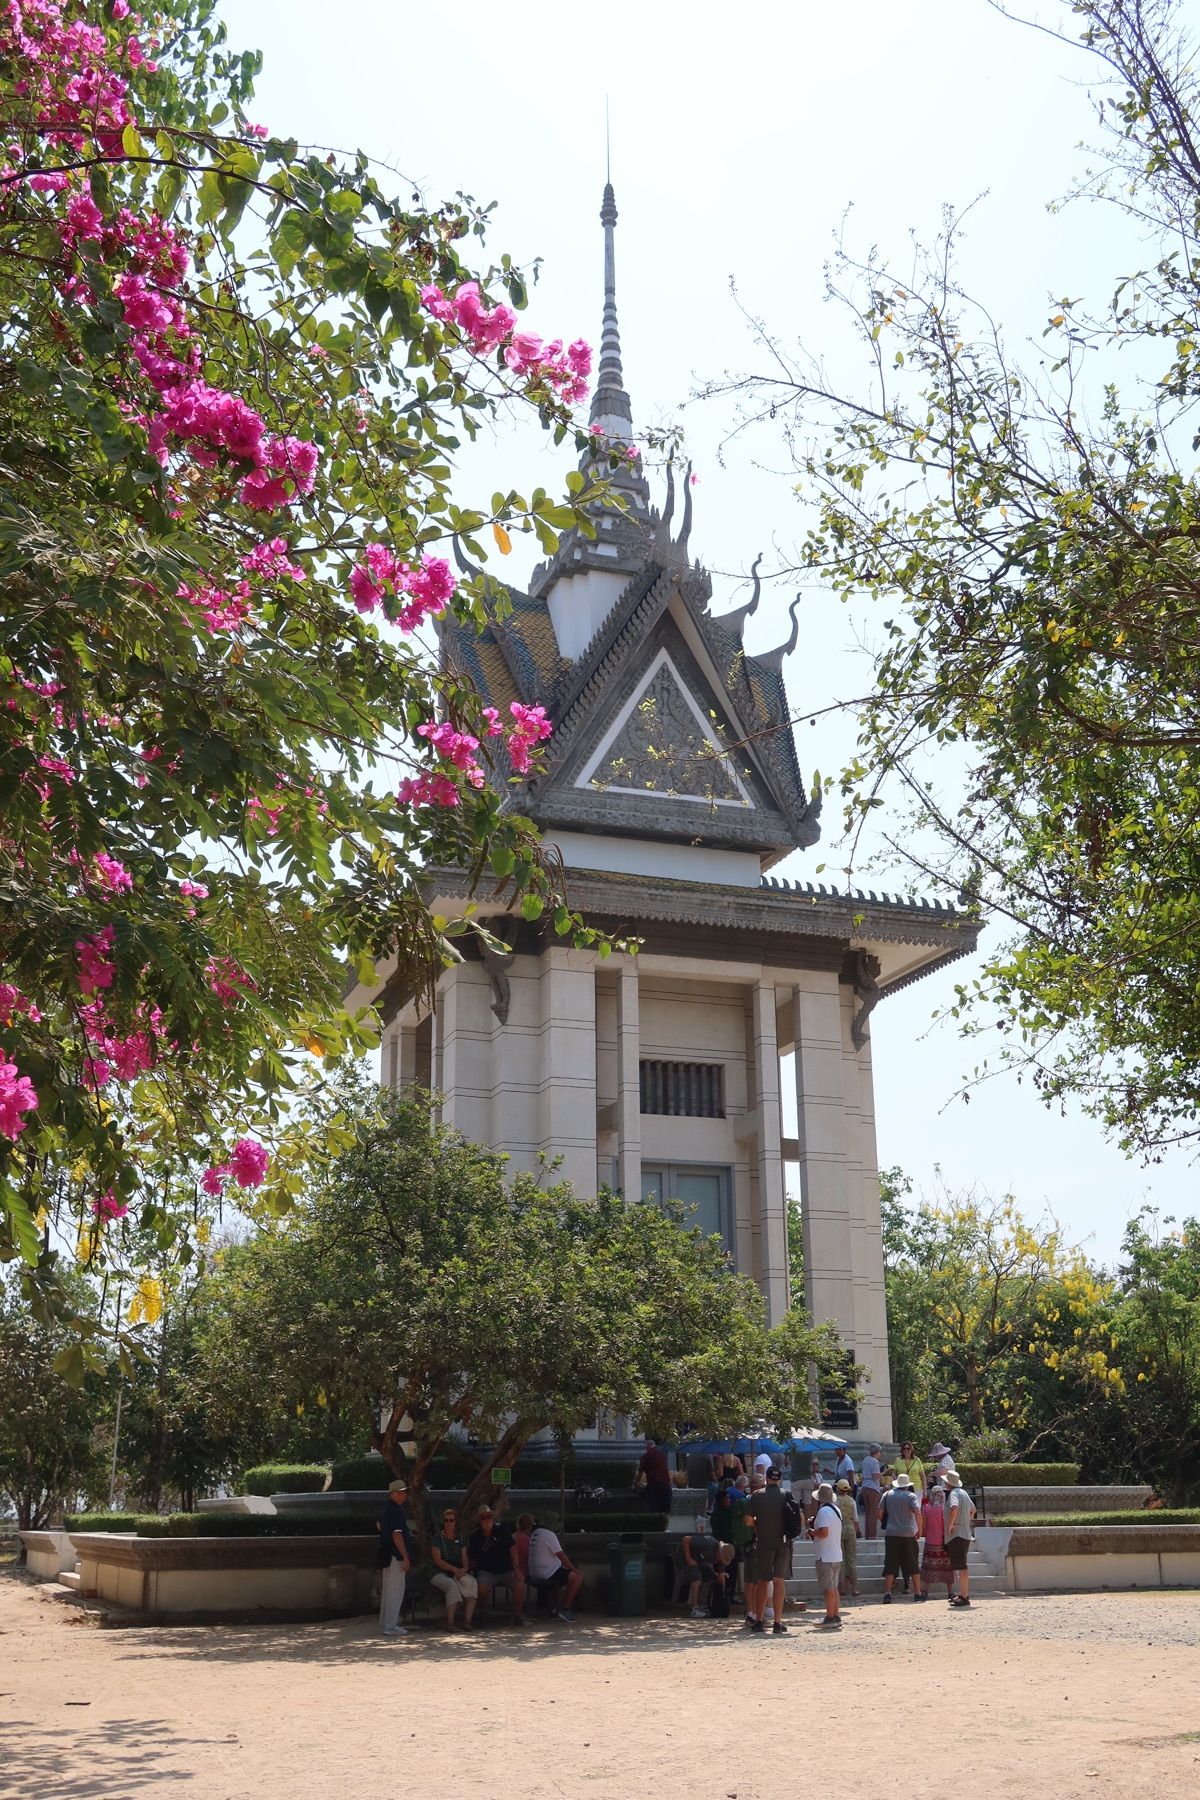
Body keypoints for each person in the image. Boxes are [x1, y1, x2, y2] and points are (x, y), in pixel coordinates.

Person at [743, 1465, 792, 1636]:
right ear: (779, 1479)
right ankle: (778, 1622)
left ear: (766, 1478)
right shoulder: (786, 1495)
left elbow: (748, 1521)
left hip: (765, 1543)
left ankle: (759, 1620)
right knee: (779, 1581)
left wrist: (759, 1529)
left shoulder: (757, 1496)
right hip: (784, 1543)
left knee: (763, 1581)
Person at [469, 1504, 527, 1626]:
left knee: (519, 1583)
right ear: (479, 1520)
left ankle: (518, 1615)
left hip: (506, 1570)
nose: (486, 1520)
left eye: (489, 1516)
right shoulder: (475, 1536)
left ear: (493, 1518)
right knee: (481, 1586)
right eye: (483, 1517)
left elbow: (513, 1548)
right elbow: (472, 1558)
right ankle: (483, 1614)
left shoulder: (502, 1530)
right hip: (486, 1571)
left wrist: (516, 1568)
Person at [376, 1473, 413, 1639]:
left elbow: (379, 1526)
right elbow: (397, 1534)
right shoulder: (396, 1510)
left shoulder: (385, 1509)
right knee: (395, 1590)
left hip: (386, 1553)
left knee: (389, 1590)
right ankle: (390, 1625)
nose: (405, 1495)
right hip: (395, 1555)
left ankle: (386, 1623)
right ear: (395, 1493)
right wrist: (405, 1556)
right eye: (403, 1492)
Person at [430, 1506, 478, 1629]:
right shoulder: (437, 1538)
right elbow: (438, 1560)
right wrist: (453, 1569)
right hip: (439, 1572)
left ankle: (468, 1622)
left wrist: (465, 1568)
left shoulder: (460, 1538)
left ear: (455, 1522)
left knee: (471, 1583)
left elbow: (464, 1556)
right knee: (452, 1585)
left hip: (456, 1572)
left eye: (451, 1520)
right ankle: (450, 1623)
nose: (448, 1523)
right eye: (446, 1520)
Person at [527, 1517, 583, 1621]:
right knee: (577, 1577)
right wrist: (573, 1569)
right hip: (546, 1572)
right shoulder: (549, 1535)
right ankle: (565, 1608)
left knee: (559, 1576)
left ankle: (553, 1608)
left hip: (533, 1573)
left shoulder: (535, 1534)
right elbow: (561, 1555)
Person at [881, 1472, 925, 1602]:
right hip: (908, 1532)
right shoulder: (911, 1496)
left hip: (891, 1533)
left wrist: (889, 1524)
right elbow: (917, 1512)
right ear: (907, 1485)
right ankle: (917, 1593)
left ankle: (887, 1593)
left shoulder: (887, 1495)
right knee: (912, 1563)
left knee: (890, 1563)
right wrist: (920, 1529)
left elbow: (880, 1513)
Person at [676, 1531, 736, 1617]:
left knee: (713, 1577)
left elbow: (721, 1574)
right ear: (719, 1552)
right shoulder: (706, 1543)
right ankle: (694, 1608)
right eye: (721, 1558)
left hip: (699, 1560)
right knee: (696, 1577)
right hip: (684, 1555)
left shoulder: (722, 1559)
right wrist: (689, 1558)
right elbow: (685, 1539)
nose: (720, 1561)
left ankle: (706, 1604)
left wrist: (721, 1581)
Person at [810, 1482, 844, 1628]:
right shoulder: (836, 1509)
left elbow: (824, 1532)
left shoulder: (823, 1512)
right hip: (836, 1553)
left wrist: (811, 1532)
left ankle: (830, 1617)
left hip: (825, 1555)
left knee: (828, 1588)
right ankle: (835, 1615)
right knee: (834, 1588)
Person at [944, 1471, 978, 1609]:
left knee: (961, 1566)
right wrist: (964, 1522)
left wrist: (951, 1525)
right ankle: (962, 1594)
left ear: (948, 1483)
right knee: (961, 1565)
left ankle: (964, 1596)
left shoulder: (953, 1494)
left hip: (957, 1534)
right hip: (965, 1533)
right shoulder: (963, 1493)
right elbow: (973, 1510)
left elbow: (954, 1508)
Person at [919, 1478, 955, 1600]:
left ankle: (925, 1591)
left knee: (928, 1567)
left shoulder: (925, 1508)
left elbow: (923, 1527)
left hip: (930, 1541)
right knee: (947, 1567)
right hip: (944, 1542)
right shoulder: (945, 1509)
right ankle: (950, 1592)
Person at [835, 1477, 860, 1597]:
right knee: (851, 1559)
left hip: (839, 1528)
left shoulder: (836, 1501)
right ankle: (855, 1588)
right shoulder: (852, 1501)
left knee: (841, 1559)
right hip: (850, 1528)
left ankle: (842, 1587)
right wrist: (857, 1531)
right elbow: (855, 1519)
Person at [636, 1437, 673, 1515]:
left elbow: (639, 1473)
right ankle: (665, 1526)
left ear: (647, 1447)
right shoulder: (662, 1455)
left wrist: (635, 1483)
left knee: (655, 1510)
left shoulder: (646, 1456)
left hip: (655, 1485)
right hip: (666, 1485)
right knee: (665, 1511)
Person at [860, 1443, 883, 1539]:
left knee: (868, 1512)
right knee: (873, 1512)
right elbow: (875, 1476)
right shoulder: (875, 1461)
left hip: (865, 1486)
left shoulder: (865, 1460)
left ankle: (868, 1535)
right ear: (877, 1452)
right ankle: (872, 1535)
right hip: (873, 1488)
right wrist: (883, 1473)